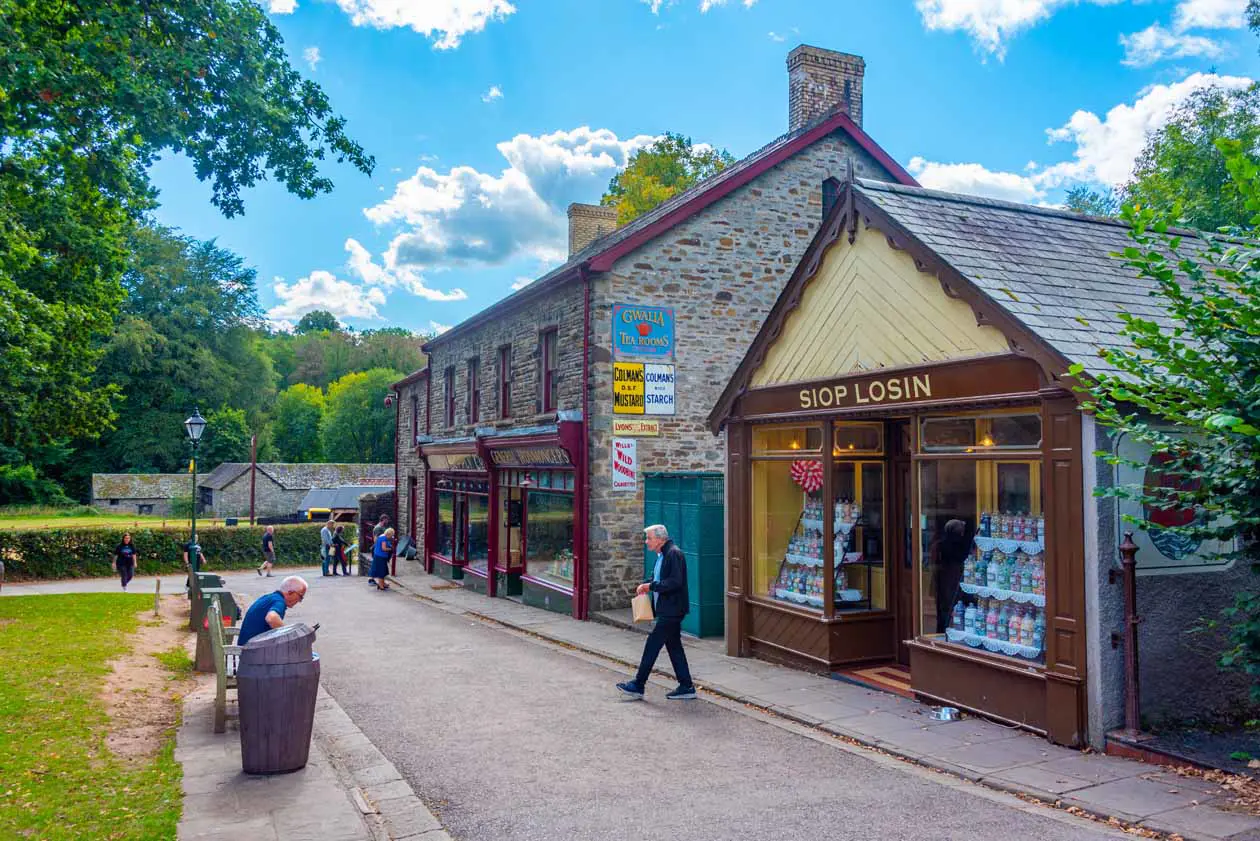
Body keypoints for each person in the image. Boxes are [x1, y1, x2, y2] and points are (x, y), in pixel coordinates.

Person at [617, 525, 696, 701]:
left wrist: (650, 586)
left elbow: (675, 582)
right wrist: (647, 584)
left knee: (652, 644)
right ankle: (686, 686)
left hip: (673, 610)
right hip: (667, 609)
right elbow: (659, 578)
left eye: (649, 538)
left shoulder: (674, 554)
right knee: (674, 647)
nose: (646, 542)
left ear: (660, 539)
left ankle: (638, 684)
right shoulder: (662, 555)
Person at [237, 576, 308, 646]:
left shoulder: (269, 597)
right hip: (252, 651)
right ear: (290, 592)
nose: (300, 601)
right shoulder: (279, 602)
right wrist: (289, 635)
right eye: (300, 597)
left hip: (246, 647)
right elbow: (271, 618)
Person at [934, 518, 972, 634]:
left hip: (946, 578)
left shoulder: (941, 544)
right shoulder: (961, 545)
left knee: (945, 606)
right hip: (952, 577)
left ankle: (943, 629)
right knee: (951, 604)